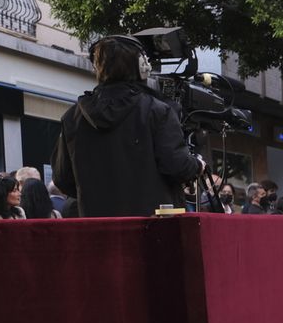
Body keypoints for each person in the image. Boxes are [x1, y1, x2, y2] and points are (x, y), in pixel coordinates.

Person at [52, 35, 204, 217]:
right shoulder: (156, 110)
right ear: (142, 66)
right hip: (151, 229)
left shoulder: (72, 117)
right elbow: (176, 166)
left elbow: (62, 178)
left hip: (97, 228)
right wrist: (197, 165)